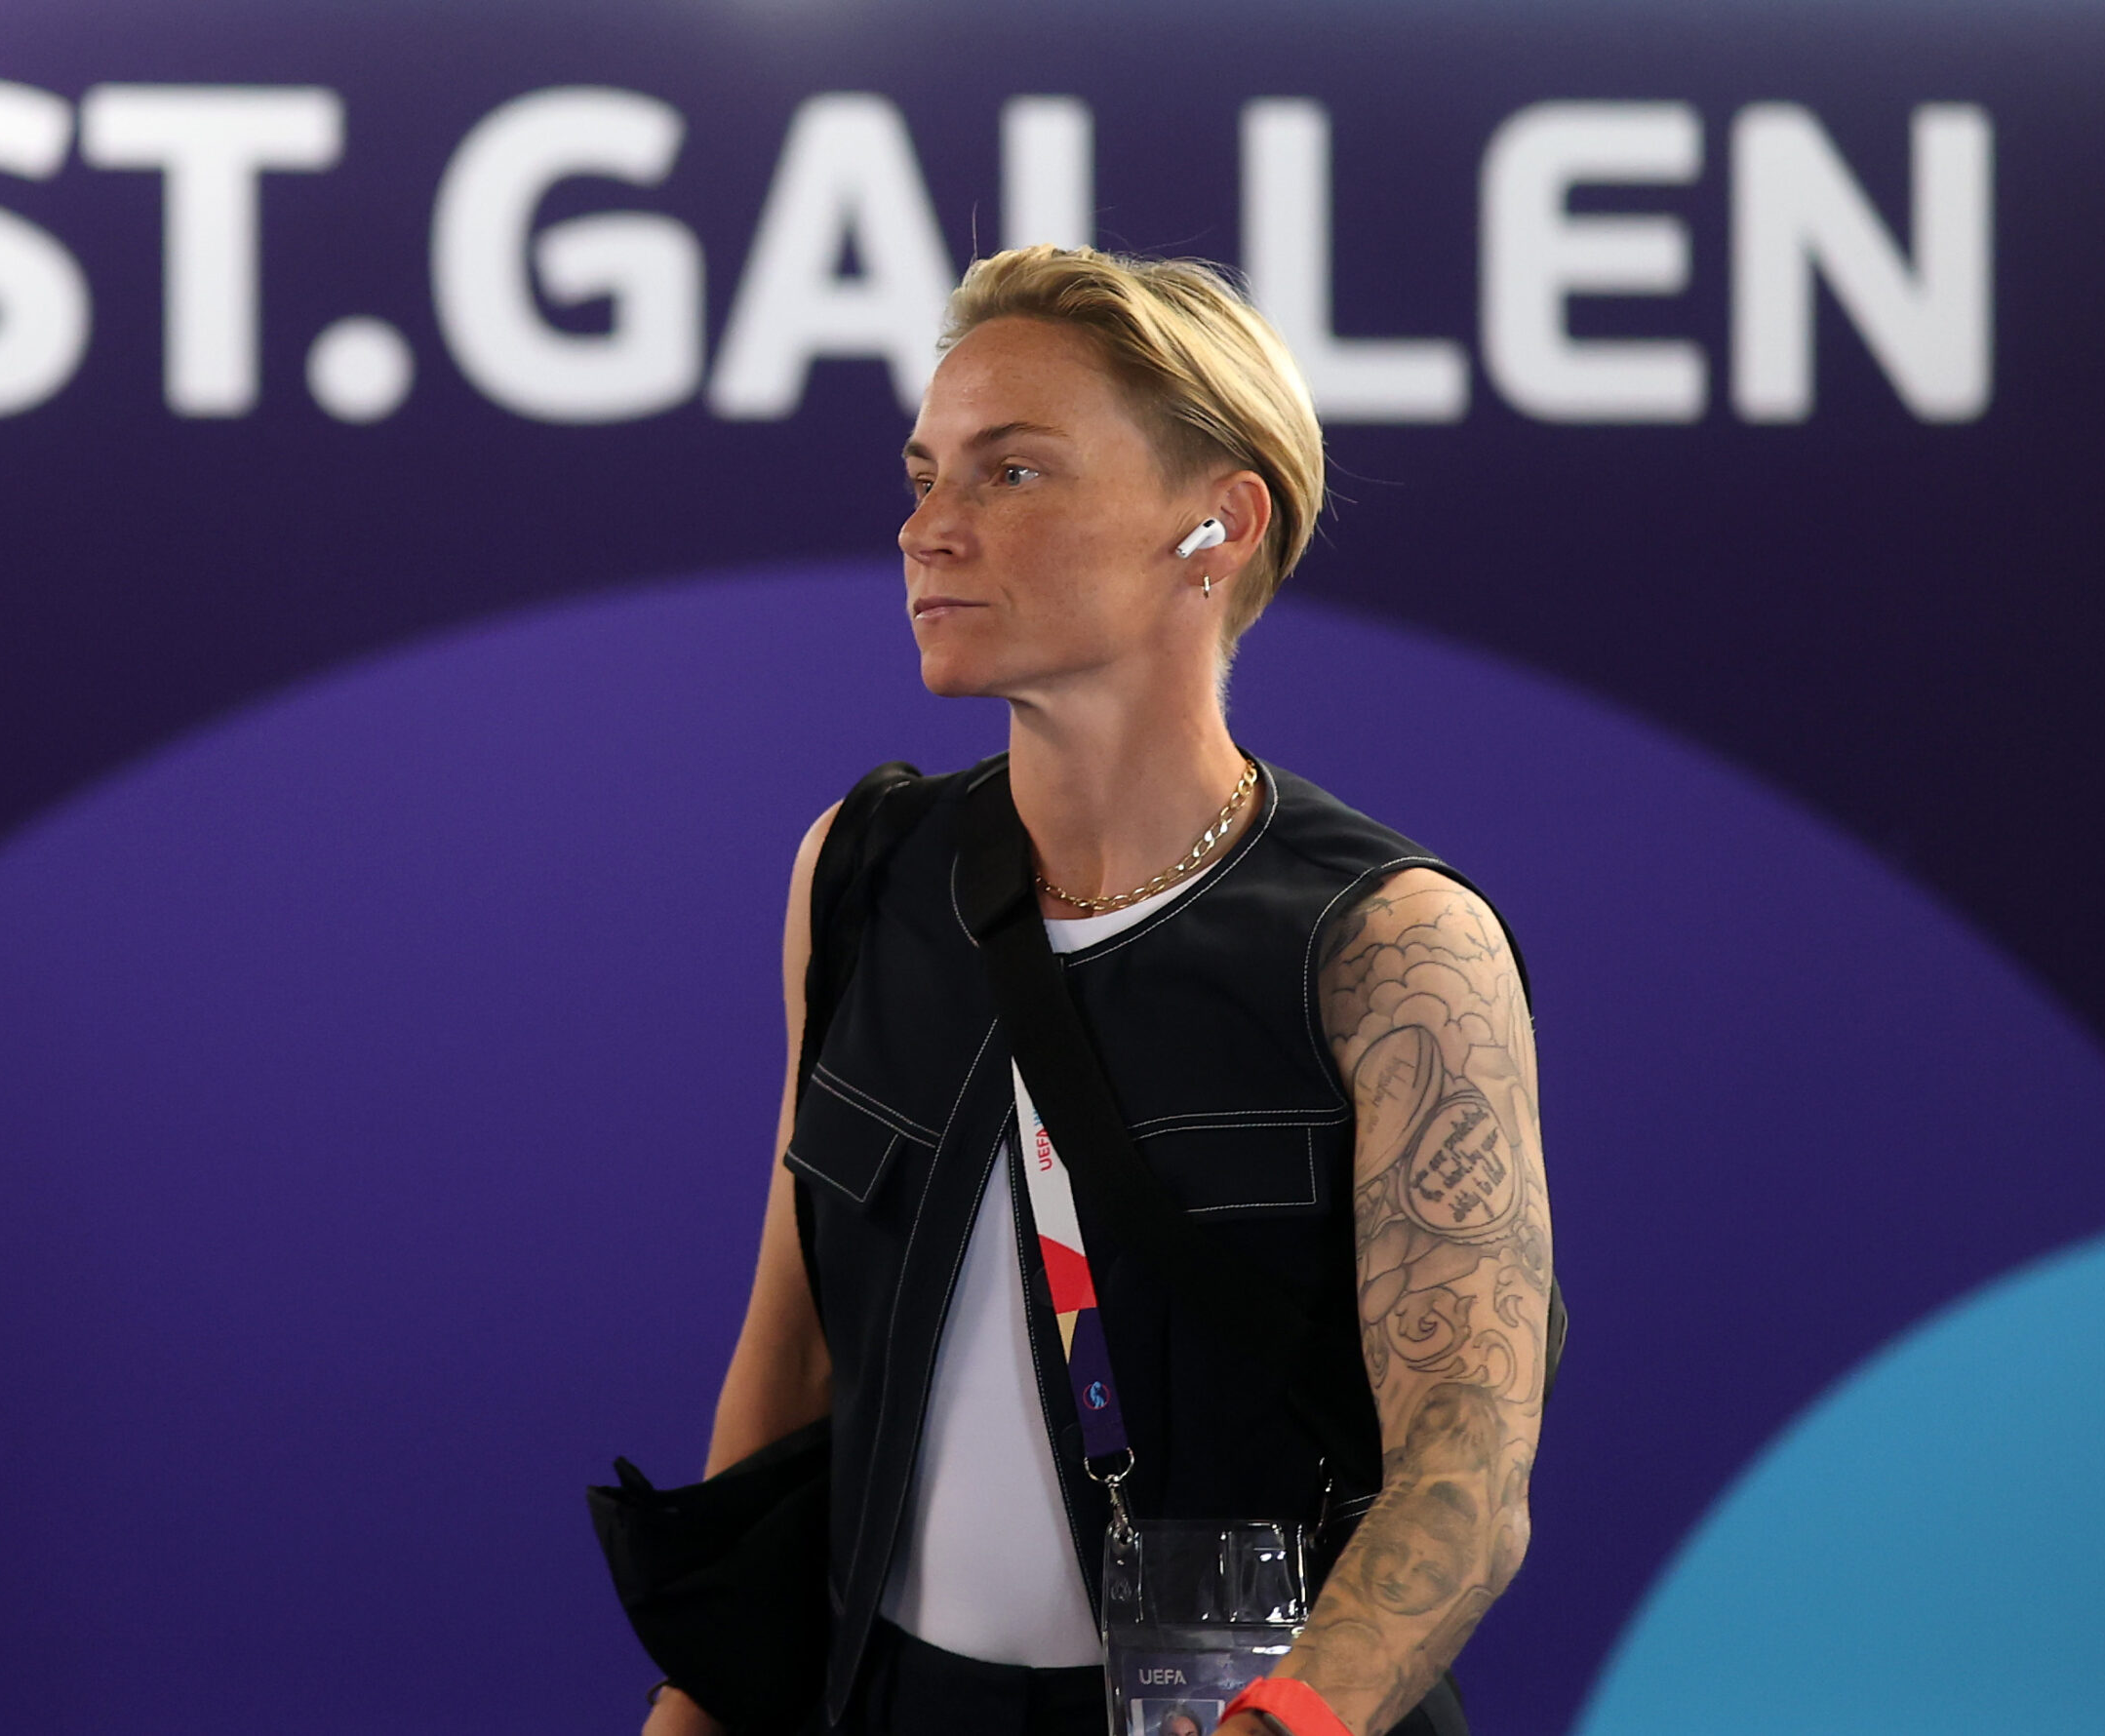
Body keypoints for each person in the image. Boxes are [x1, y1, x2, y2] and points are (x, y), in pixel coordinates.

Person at [641, 246, 1552, 1736]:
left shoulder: (1393, 949)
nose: (926, 528)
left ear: (1219, 523)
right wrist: (699, 1709)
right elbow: (791, 1355)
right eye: (925, 474)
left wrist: (1281, 1729)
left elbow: (1466, 1471)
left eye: (1012, 472)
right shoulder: (858, 872)